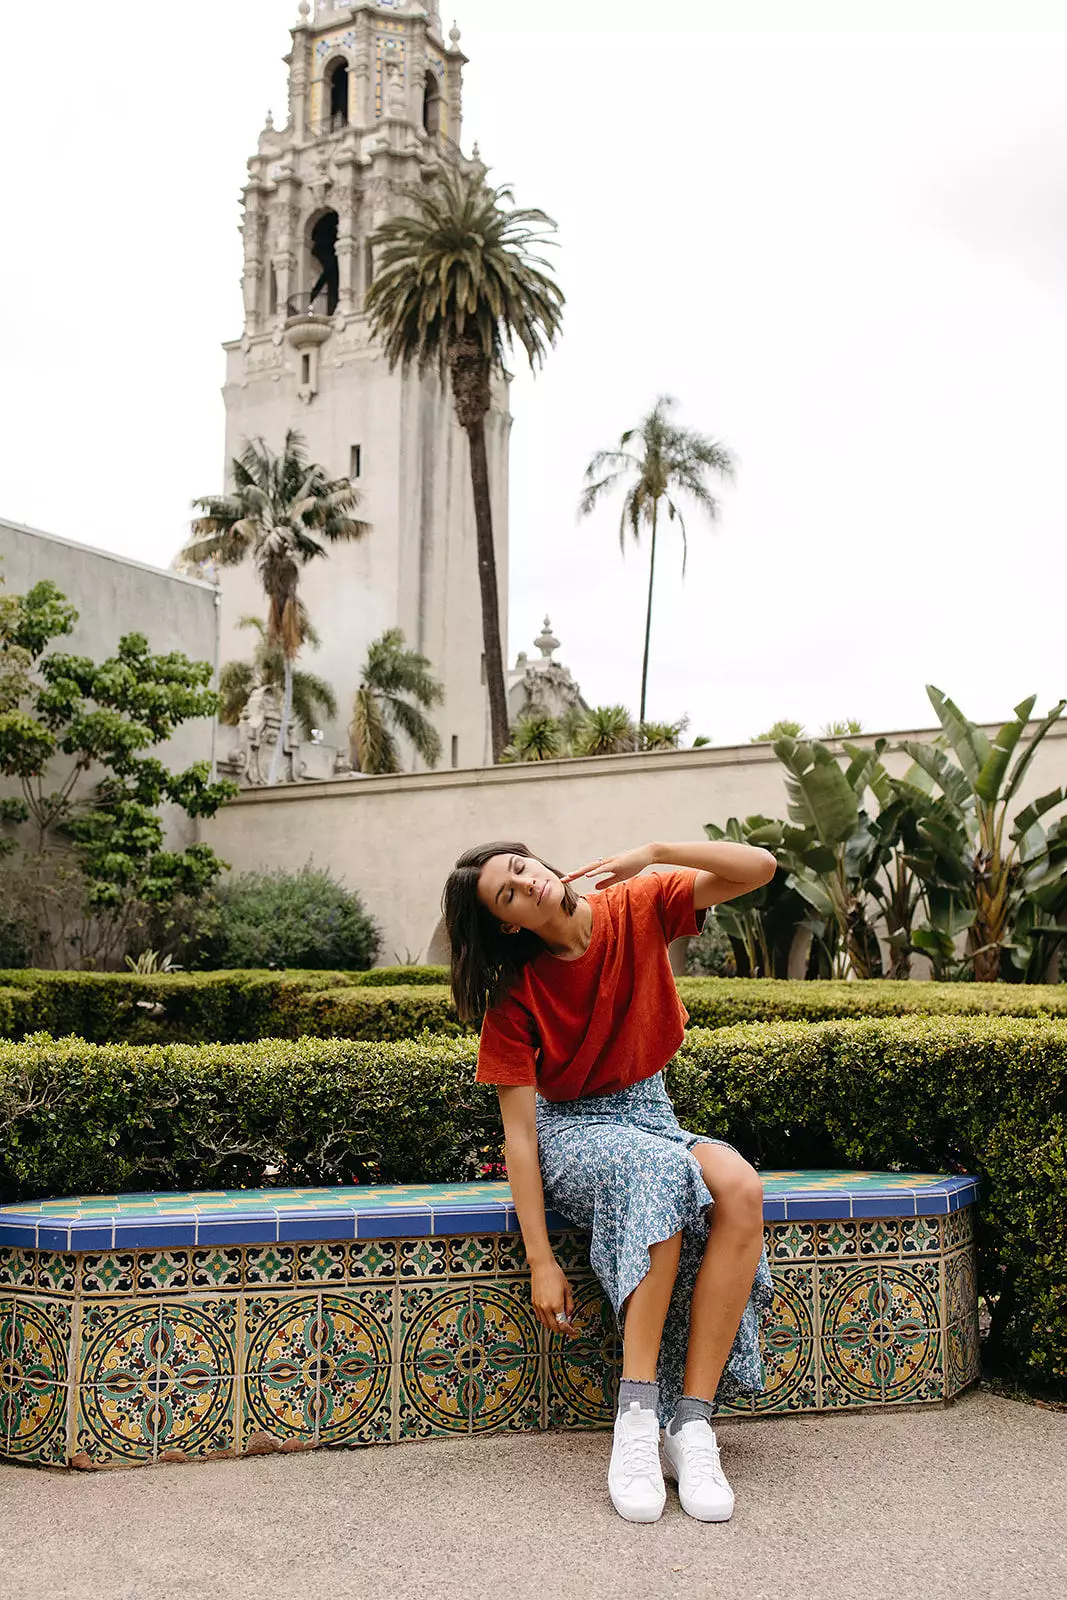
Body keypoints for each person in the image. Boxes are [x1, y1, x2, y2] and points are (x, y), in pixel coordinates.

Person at [441, 837, 778, 1525]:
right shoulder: (515, 991)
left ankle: (691, 1425)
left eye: (520, 868)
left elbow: (759, 869)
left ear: (540, 864)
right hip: (572, 1132)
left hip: (652, 1115)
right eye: (506, 894)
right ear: (507, 923)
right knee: (654, 1171)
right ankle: (635, 1417)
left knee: (739, 1187)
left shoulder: (636, 906)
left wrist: (653, 851)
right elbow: (521, 1133)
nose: (525, 884)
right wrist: (539, 1259)